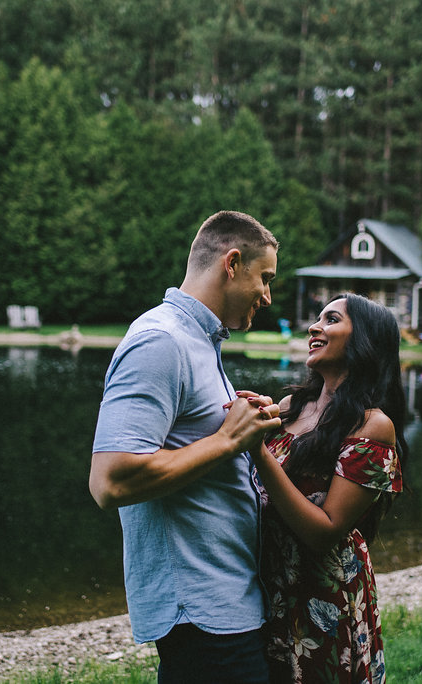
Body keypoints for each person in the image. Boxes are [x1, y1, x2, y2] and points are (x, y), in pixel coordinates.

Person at [89, 210, 283, 684]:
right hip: (201, 612)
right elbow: (109, 481)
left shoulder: (199, 341)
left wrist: (248, 430)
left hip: (226, 602)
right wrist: (227, 440)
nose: (268, 295)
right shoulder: (161, 341)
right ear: (232, 263)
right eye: (265, 278)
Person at [248, 293, 409, 683]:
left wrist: (257, 449)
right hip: (265, 585)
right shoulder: (289, 407)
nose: (314, 327)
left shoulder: (372, 427)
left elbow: (324, 531)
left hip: (323, 597)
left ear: (364, 340)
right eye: (318, 319)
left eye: (331, 319)